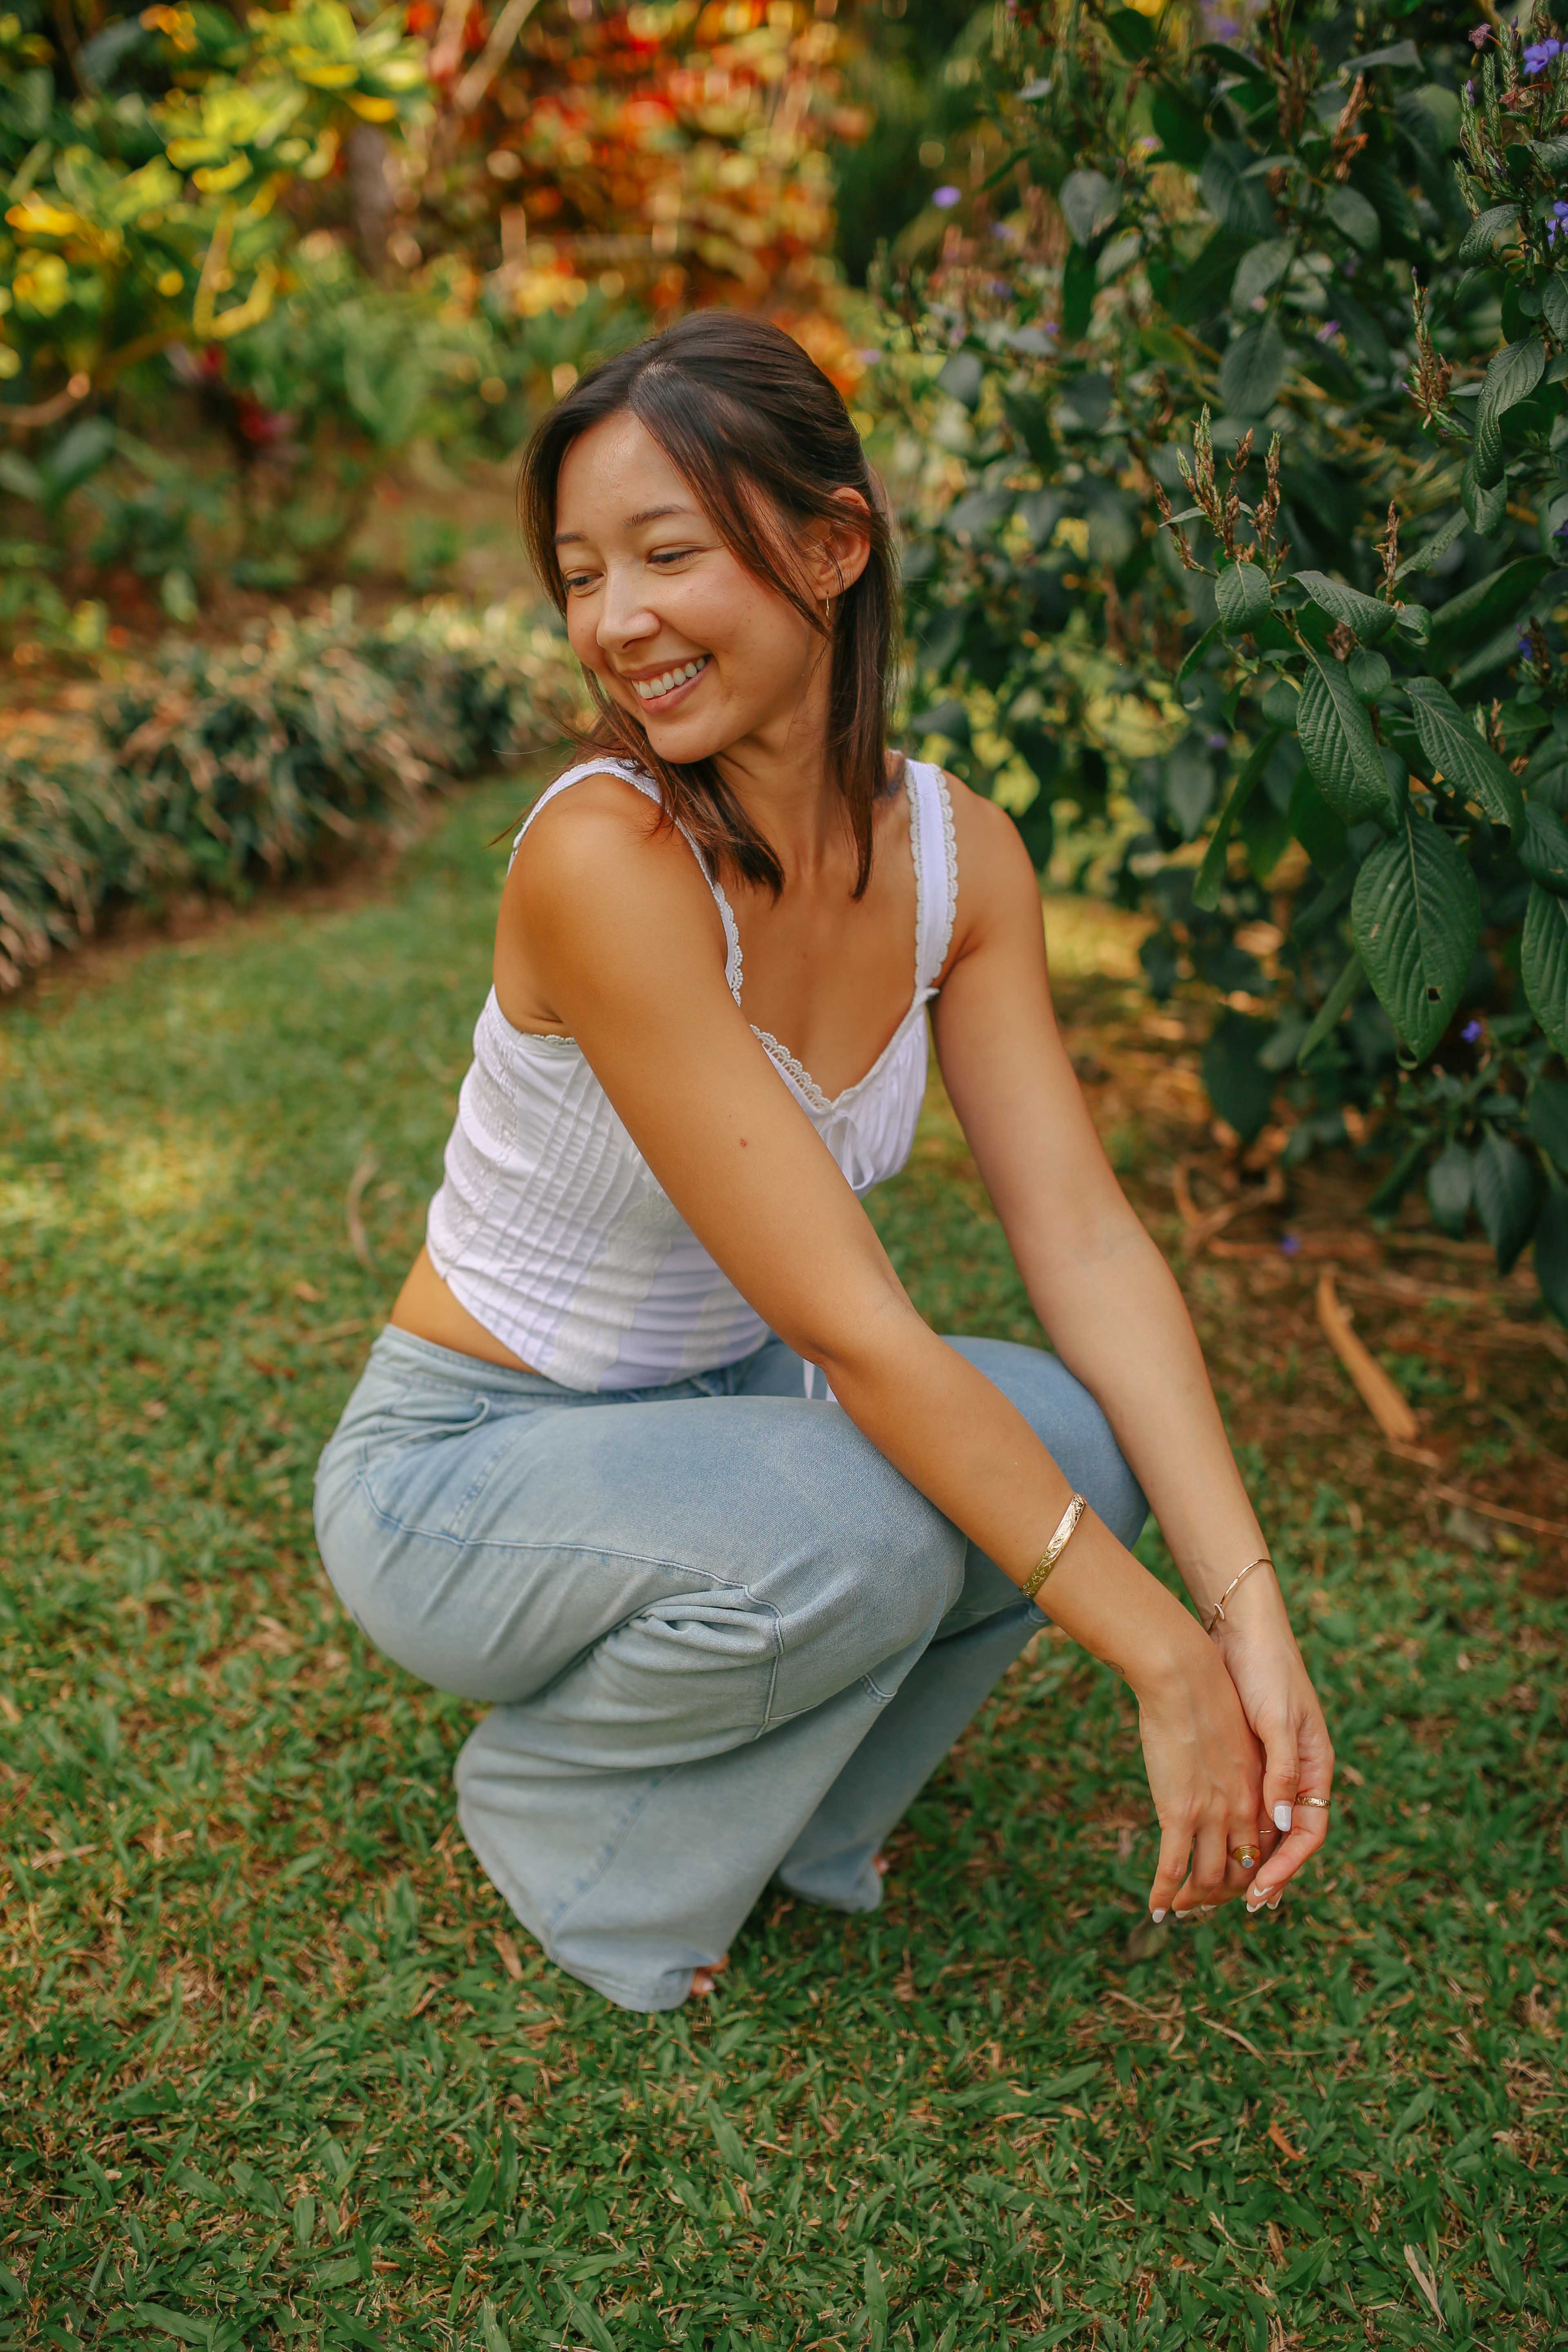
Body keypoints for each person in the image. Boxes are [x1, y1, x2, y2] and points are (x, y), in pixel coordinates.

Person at [312, 312, 1334, 2015]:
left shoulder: (961, 861)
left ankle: (796, 1821)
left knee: (1067, 1433)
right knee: (876, 1521)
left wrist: (1249, 1614)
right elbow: (862, 1337)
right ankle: (564, 1820)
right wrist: (1161, 1659)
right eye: (580, 575)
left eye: (666, 552)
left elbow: (1082, 1242)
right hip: (464, 1474)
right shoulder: (606, 856)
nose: (615, 621)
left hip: (721, 1424)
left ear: (832, 549)